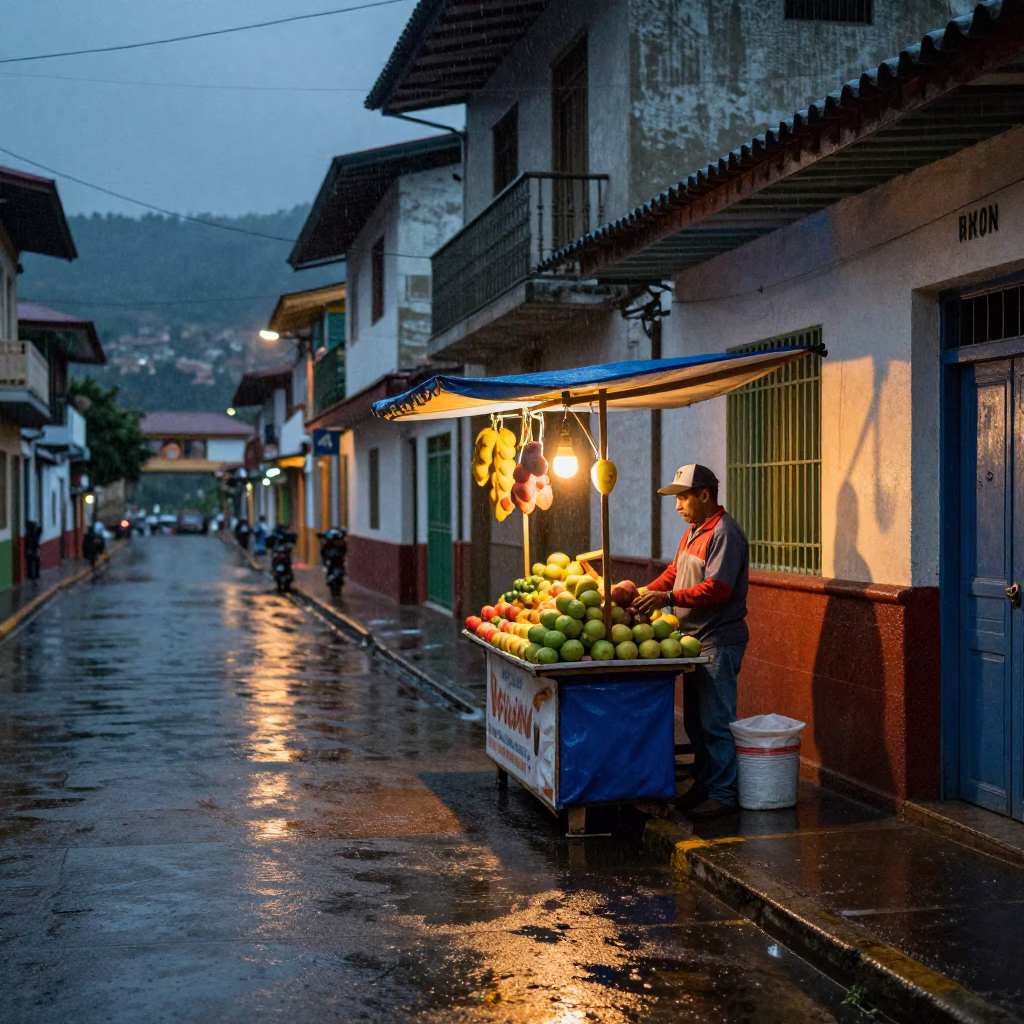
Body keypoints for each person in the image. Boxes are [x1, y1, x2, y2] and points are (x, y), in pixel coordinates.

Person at [634, 464, 749, 820]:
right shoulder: (693, 532)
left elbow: (718, 589)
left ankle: (724, 794)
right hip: (692, 642)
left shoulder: (725, 533)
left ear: (704, 495)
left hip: (718, 640)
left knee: (716, 722)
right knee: (696, 724)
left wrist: (668, 598)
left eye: (683, 497)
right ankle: (703, 787)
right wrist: (641, 592)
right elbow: (674, 571)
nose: (678, 506)